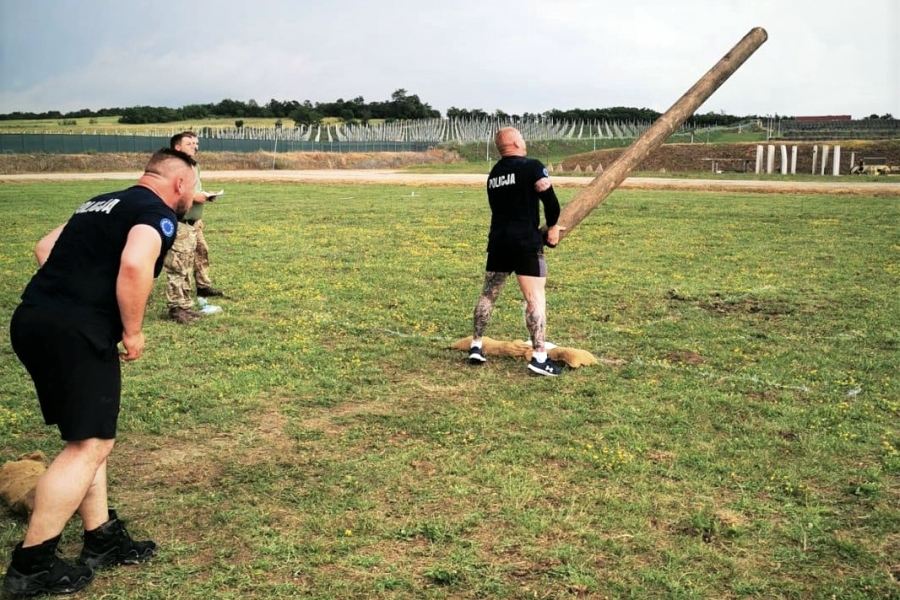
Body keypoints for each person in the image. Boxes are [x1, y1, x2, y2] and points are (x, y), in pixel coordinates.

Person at [3, 148, 197, 597]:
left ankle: (102, 538)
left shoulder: (102, 201)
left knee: (87, 437)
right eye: (193, 187)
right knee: (91, 444)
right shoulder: (158, 214)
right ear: (179, 184)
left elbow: (45, 247)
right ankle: (32, 567)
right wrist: (132, 331)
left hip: (34, 319)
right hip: (75, 332)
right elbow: (134, 264)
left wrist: (70, 289)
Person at [468, 127, 565, 376]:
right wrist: (552, 227)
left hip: (499, 241)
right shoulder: (532, 166)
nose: (524, 139)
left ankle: (476, 345)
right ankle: (540, 357)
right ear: (513, 142)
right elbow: (551, 202)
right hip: (526, 242)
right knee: (534, 297)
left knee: (488, 295)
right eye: (521, 136)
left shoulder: (494, 173)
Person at [163, 131, 224, 324]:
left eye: (196, 143)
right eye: (189, 143)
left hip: (192, 222)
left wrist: (202, 203)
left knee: (198, 255)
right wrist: (196, 197)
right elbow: (172, 193)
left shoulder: (192, 166)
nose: (195, 146)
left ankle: (198, 291)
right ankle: (177, 308)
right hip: (179, 222)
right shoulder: (171, 167)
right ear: (177, 147)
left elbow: (194, 190)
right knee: (179, 266)